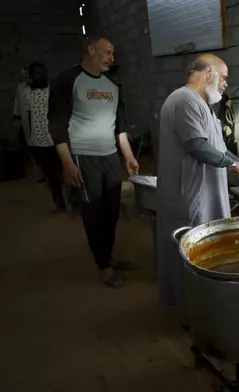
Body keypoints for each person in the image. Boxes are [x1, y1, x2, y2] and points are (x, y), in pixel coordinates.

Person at [156, 54, 239, 321]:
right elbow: (197, 146)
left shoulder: (204, 107)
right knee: (192, 257)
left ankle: (206, 310)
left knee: (207, 257)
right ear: (208, 72)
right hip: (190, 197)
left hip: (206, 195)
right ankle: (193, 318)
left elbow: (220, 151)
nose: (225, 85)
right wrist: (231, 165)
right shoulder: (183, 99)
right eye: (224, 78)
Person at [48, 36, 138, 288]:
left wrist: (128, 155)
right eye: (108, 52)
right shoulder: (68, 80)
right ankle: (104, 267)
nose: (112, 57)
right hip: (82, 156)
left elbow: (119, 127)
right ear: (91, 50)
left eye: (113, 53)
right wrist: (67, 163)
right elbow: (56, 124)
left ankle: (106, 255)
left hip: (110, 156)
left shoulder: (113, 85)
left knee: (110, 212)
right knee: (92, 213)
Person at [21, 62, 65, 211]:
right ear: (32, 76)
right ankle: (59, 203)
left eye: (43, 73)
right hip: (39, 141)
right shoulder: (27, 93)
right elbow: (27, 116)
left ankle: (75, 202)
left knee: (66, 171)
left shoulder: (53, 89)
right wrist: (28, 138)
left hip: (57, 139)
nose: (41, 76)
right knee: (51, 176)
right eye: (37, 73)